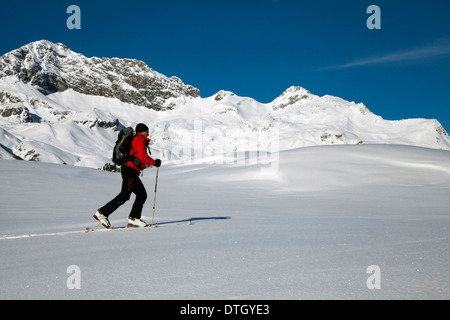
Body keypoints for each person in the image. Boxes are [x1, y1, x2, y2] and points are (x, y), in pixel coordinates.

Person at [93, 123, 161, 228]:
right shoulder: (139, 139)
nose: (148, 133)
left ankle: (134, 218)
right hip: (129, 170)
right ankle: (102, 212)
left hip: (132, 170)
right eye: (147, 131)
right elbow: (143, 156)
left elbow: (139, 157)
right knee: (125, 195)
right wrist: (154, 162)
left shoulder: (139, 139)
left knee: (141, 194)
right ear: (143, 131)